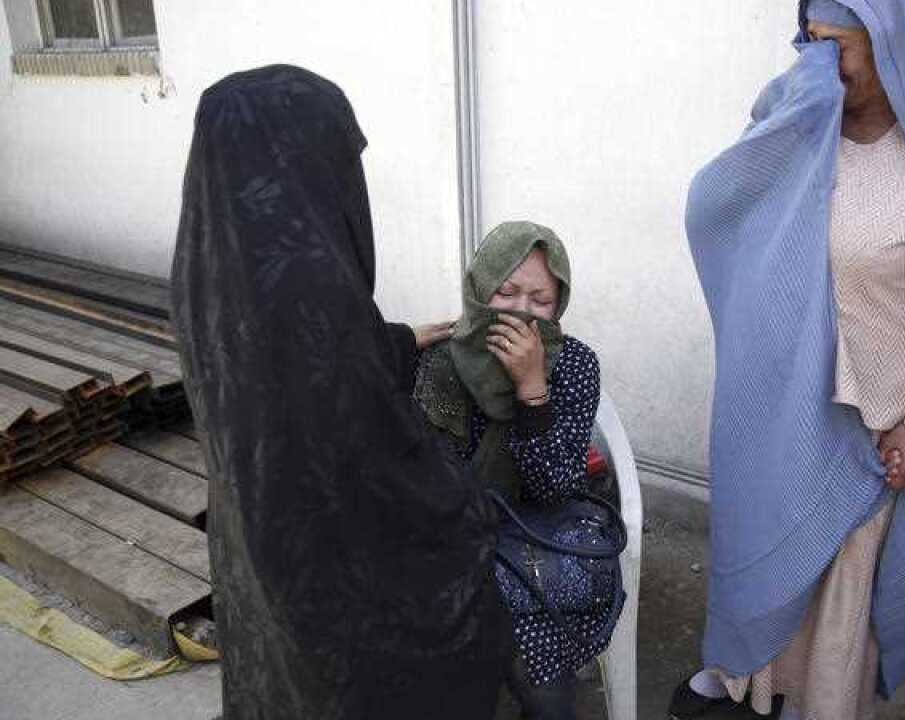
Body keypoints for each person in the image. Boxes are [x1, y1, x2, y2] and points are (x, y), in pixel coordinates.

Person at [673, 0, 905, 717]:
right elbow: (723, 216)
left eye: (839, 48)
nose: (820, 64)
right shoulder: (794, 134)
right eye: (810, 44)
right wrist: (787, 123)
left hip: (872, 447)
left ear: (895, 47)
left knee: (833, 625)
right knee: (766, 589)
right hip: (779, 426)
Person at [171, 65, 507, 719]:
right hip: (330, 556)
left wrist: (401, 339)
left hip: (253, 531)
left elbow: (292, 372)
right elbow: (369, 456)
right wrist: (462, 499)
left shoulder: (208, 262)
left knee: (280, 669)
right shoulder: (310, 284)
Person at [411, 221, 610, 720]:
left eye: (540, 300)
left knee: (536, 668)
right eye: (506, 291)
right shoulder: (438, 360)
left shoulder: (575, 366)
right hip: (451, 534)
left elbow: (556, 489)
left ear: (559, 303)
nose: (521, 312)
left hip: (535, 537)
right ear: (480, 289)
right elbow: (419, 481)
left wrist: (532, 391)